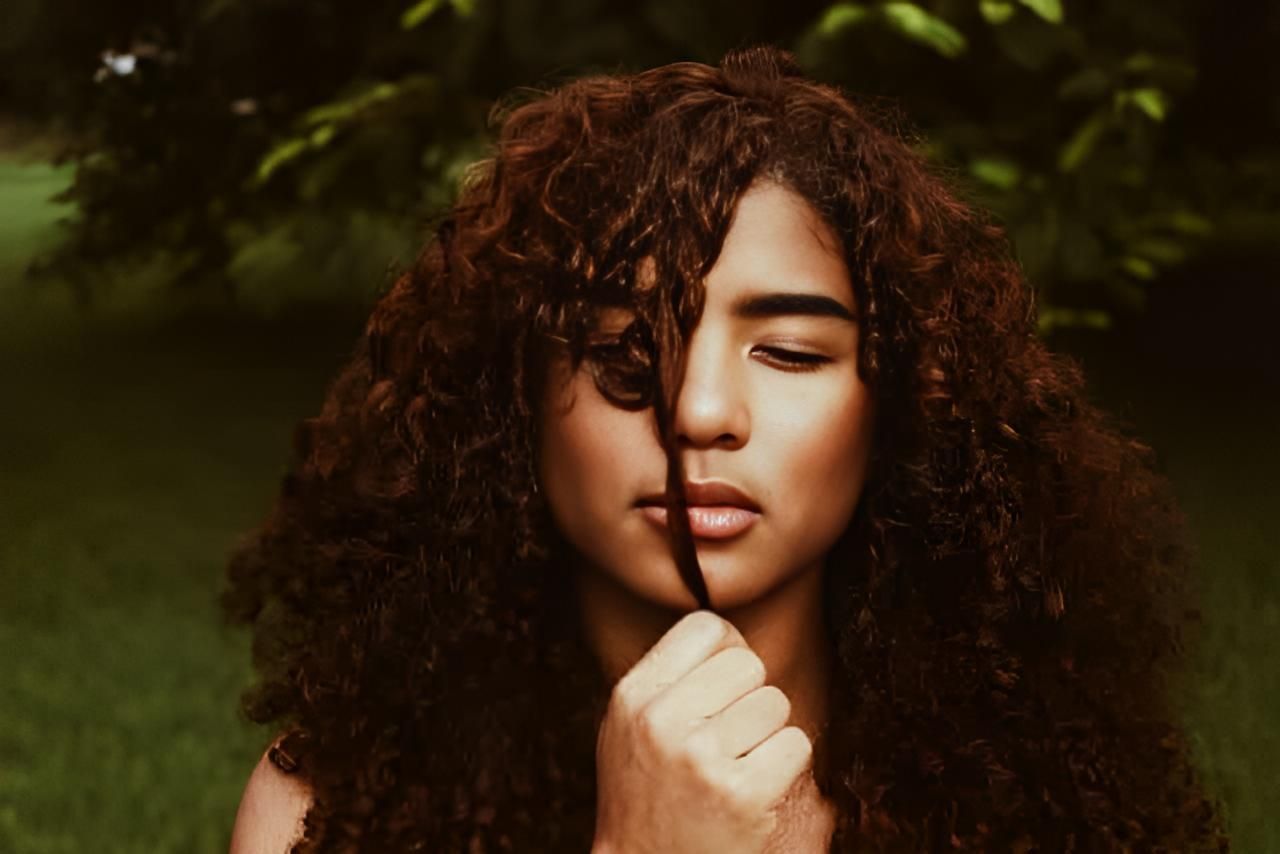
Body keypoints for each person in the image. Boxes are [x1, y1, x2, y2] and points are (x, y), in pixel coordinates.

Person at [223, 46, 1228, 852]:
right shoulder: (325, 814)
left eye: (788, 351)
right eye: (623, 348)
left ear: (899, 405)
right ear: (511, 397)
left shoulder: (1047, 805)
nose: (699, 411)